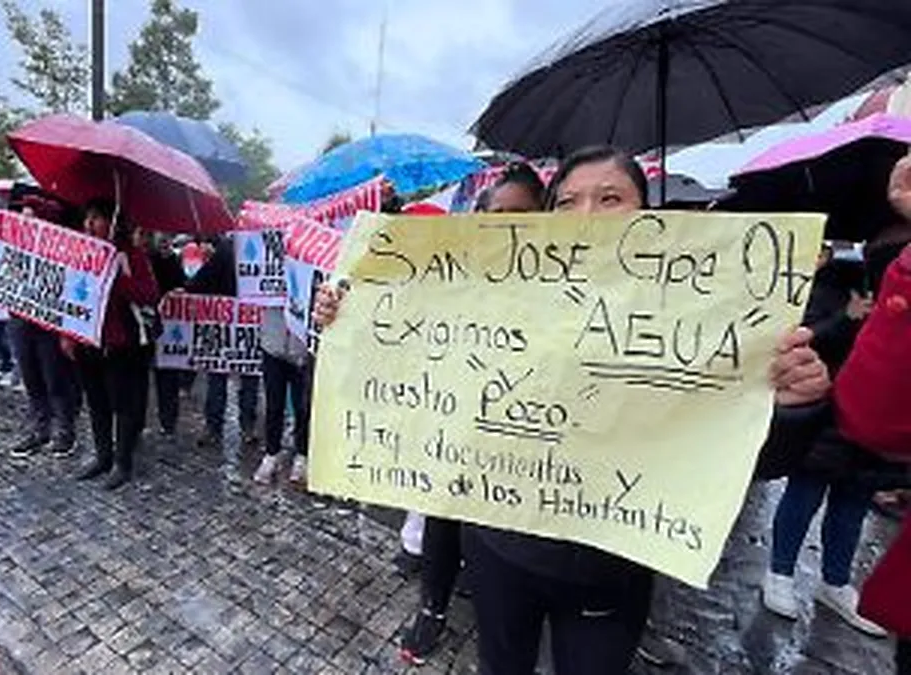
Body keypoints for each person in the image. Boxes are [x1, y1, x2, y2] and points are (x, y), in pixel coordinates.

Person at [313, 146, 833, 675]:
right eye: (568, 202)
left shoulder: (692, 316)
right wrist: (345, 320)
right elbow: (403, 354)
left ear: (644, 213)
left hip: (608, 571)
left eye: (610, 198)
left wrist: (795, 405)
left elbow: (757, 462)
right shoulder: (490, 297)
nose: (586, 216)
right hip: (498, 551)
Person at [399, 162, 547, 666]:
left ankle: (507, 612)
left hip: (529, 447)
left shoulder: (569, 283)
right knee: (444, 523)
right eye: (498, 213)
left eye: (523, 214)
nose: (509, 224)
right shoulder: (455, 276)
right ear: (479, 219)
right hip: (458, 433)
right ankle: (433, 610)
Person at [762, 226, 887, 635]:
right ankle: (779, 572)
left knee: (853, 502)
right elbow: (800, 340)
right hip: (826, 414)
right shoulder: (825, 286)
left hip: (874, 415)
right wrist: (847, 320)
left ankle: (835, 581)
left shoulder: (886, 286)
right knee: (805, 493)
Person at [66, 199, 159, 490]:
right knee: (96, 403)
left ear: (112, 223)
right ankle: (102, 456)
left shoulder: (130, 256)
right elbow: (69, 296)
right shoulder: (80, 254)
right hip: (88, 342)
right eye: (87, 219)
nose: (89, 225)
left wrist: (115, 277)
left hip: (122, 345)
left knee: (124, 405)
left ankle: (122, 462)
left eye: (96, 219)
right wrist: (67, 334)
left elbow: (149, 294)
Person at [8, 195, 80, 458]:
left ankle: (65, 430)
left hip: (49, 326)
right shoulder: (14, 249)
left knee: (56, 380)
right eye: (23, 217)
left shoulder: (63, 254)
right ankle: (40, 429)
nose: (24, 222)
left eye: (31, 218)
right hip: (20, 321)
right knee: (32, 379)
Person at [187, 235, 260, 447]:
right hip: (248, 330)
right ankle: (248, 427)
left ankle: (213, 428)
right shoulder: (260, 251)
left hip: (221, 330)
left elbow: (199, 283)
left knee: (218, 380)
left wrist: (187, 287)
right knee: (249, 379)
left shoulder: (226, 249)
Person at [251, 303, 310, 484]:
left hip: (302, 349)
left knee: (303, 407)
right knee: (274, 405)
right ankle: (271, 454)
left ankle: (302, 455)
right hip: (273, 345)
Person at [147, 232, 186, 436]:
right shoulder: (146, 259)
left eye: (167, 238)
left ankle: (168, 422)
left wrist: (181, 291)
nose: (164, 241)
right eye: (160, 237)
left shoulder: (177, 260)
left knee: (168, 377)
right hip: (147, 326)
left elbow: (186, 285)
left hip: (171, 329)